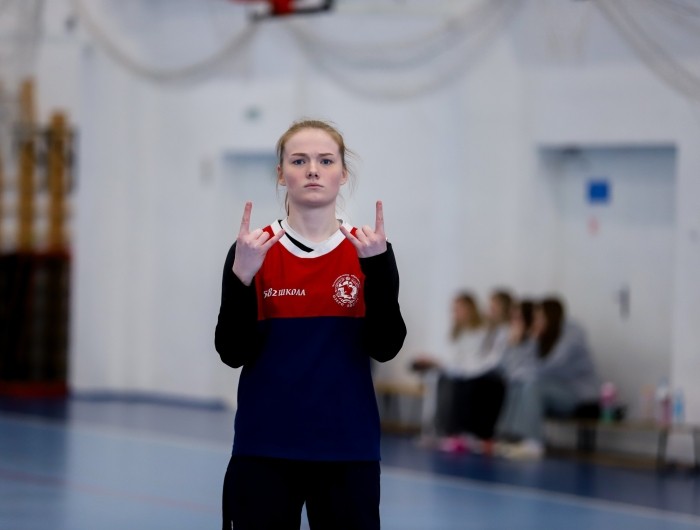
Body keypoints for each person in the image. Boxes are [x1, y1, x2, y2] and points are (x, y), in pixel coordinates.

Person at [214, 118, 407, 529]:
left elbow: (386, 346)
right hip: (264, 446)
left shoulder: (370, 250)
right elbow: (232, 352)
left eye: (326, 160)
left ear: (343, 174)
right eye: (299, 161)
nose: (313, 170)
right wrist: (241, 279)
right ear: (281, 174)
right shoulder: (251, 250)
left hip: (347, 449)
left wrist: (379, 269)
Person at [496, 296, 600, 460]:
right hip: (554, 389)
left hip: (579, 395)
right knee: (517, 385)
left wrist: (532, 342)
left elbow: (546, 368)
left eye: (539, 318)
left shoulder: (572, 336)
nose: (535, 322)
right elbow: (508, 370)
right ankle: (509, 436)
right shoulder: (544, 337)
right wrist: (512, 346)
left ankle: (533, 442)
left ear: (550, 317)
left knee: (532, 386)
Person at [412, 289, 509, 450]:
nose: (455, 313)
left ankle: (455, 432)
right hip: (463, 372)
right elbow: (454, 359)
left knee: (458, 384)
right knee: (440, 379)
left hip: (479, 375)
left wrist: (448, 367)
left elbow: (479, 361)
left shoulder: (485, 331)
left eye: (459, 309)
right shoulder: (457, 333)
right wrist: (437, 363)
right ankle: (439, 430)